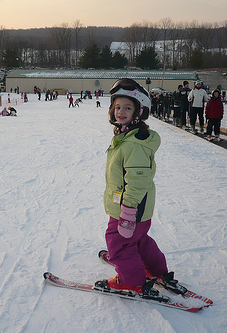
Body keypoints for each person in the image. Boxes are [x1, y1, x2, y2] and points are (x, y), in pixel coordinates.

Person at [98, 78, 172, 297]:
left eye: (128, 108)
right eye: (118, 107)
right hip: (139, 209)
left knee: (118, 243)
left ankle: (131, 281)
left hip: (130, 208)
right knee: (139, 240)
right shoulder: (128, 137)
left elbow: (138, 181)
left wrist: (128, 212)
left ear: (139, 112)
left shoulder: (134, 143)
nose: (121, 111)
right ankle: (156, 270)